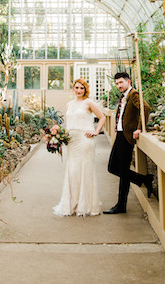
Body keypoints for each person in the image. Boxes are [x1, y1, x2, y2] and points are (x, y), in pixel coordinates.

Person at [53, 78, 107, 217]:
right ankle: (73, 204)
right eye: (76, 88)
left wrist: (96, 131)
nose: (78, 90)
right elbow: (69, 124)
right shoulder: (69, 104)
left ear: (85, 89)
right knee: (72, 171)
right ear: (73, 89)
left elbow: (102, 117)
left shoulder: (88, 102)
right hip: (72, 142)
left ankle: (87, 205)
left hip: (85, 140)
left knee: (85, 170)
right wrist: (58, 136)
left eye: (81, 88)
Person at [104, 72, 153, 214]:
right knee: (113, 167)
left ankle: (121, 205)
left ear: (128, 81)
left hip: (126, 136)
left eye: (121, 83)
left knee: (121, 169)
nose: (119, 85)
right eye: (117, 83)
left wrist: (139, 128)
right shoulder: (124, 95)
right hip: (120, 134)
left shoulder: (134, 94)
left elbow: (145, 108)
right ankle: (144, 179)